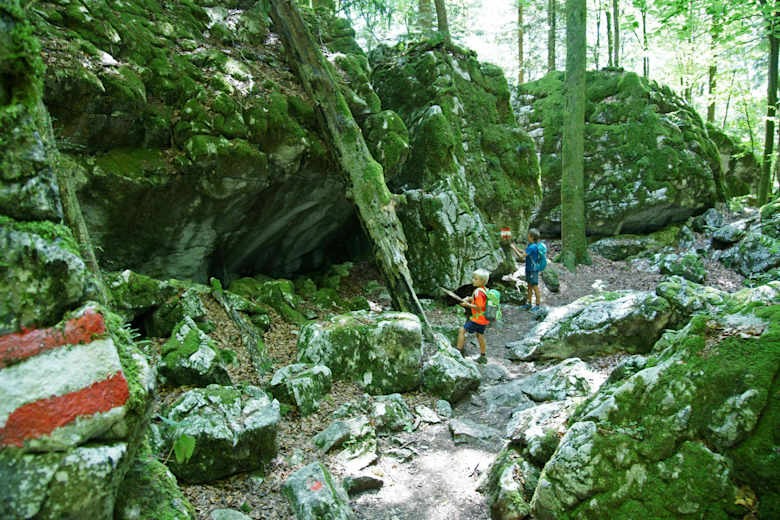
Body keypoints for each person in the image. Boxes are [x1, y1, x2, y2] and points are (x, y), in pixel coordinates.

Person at [456, 268, 490, 364]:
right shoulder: (484, 290)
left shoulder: (478, 292)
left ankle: (457, 352)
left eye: (476, 279)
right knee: (480, 335)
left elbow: (479, 307)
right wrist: (469, 298)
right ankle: (483, 356)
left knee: (462, 330)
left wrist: (467, 305)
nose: (473, 280)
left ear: (482, 281)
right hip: (484, 319)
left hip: (478, 319)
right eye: (473, 278)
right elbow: (479, 300)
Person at [513, 228, 542, 311]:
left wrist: (513, 248)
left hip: (533, 270)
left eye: (528, 235)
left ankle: (537, 305)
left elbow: (521, 256)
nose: (527, 236)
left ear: (531, 237)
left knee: (535, 287)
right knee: (529, 286)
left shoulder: (532, 247)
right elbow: (524, 252)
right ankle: (529, 303)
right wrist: (515, 247)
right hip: (529, 269)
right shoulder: (532, 245)